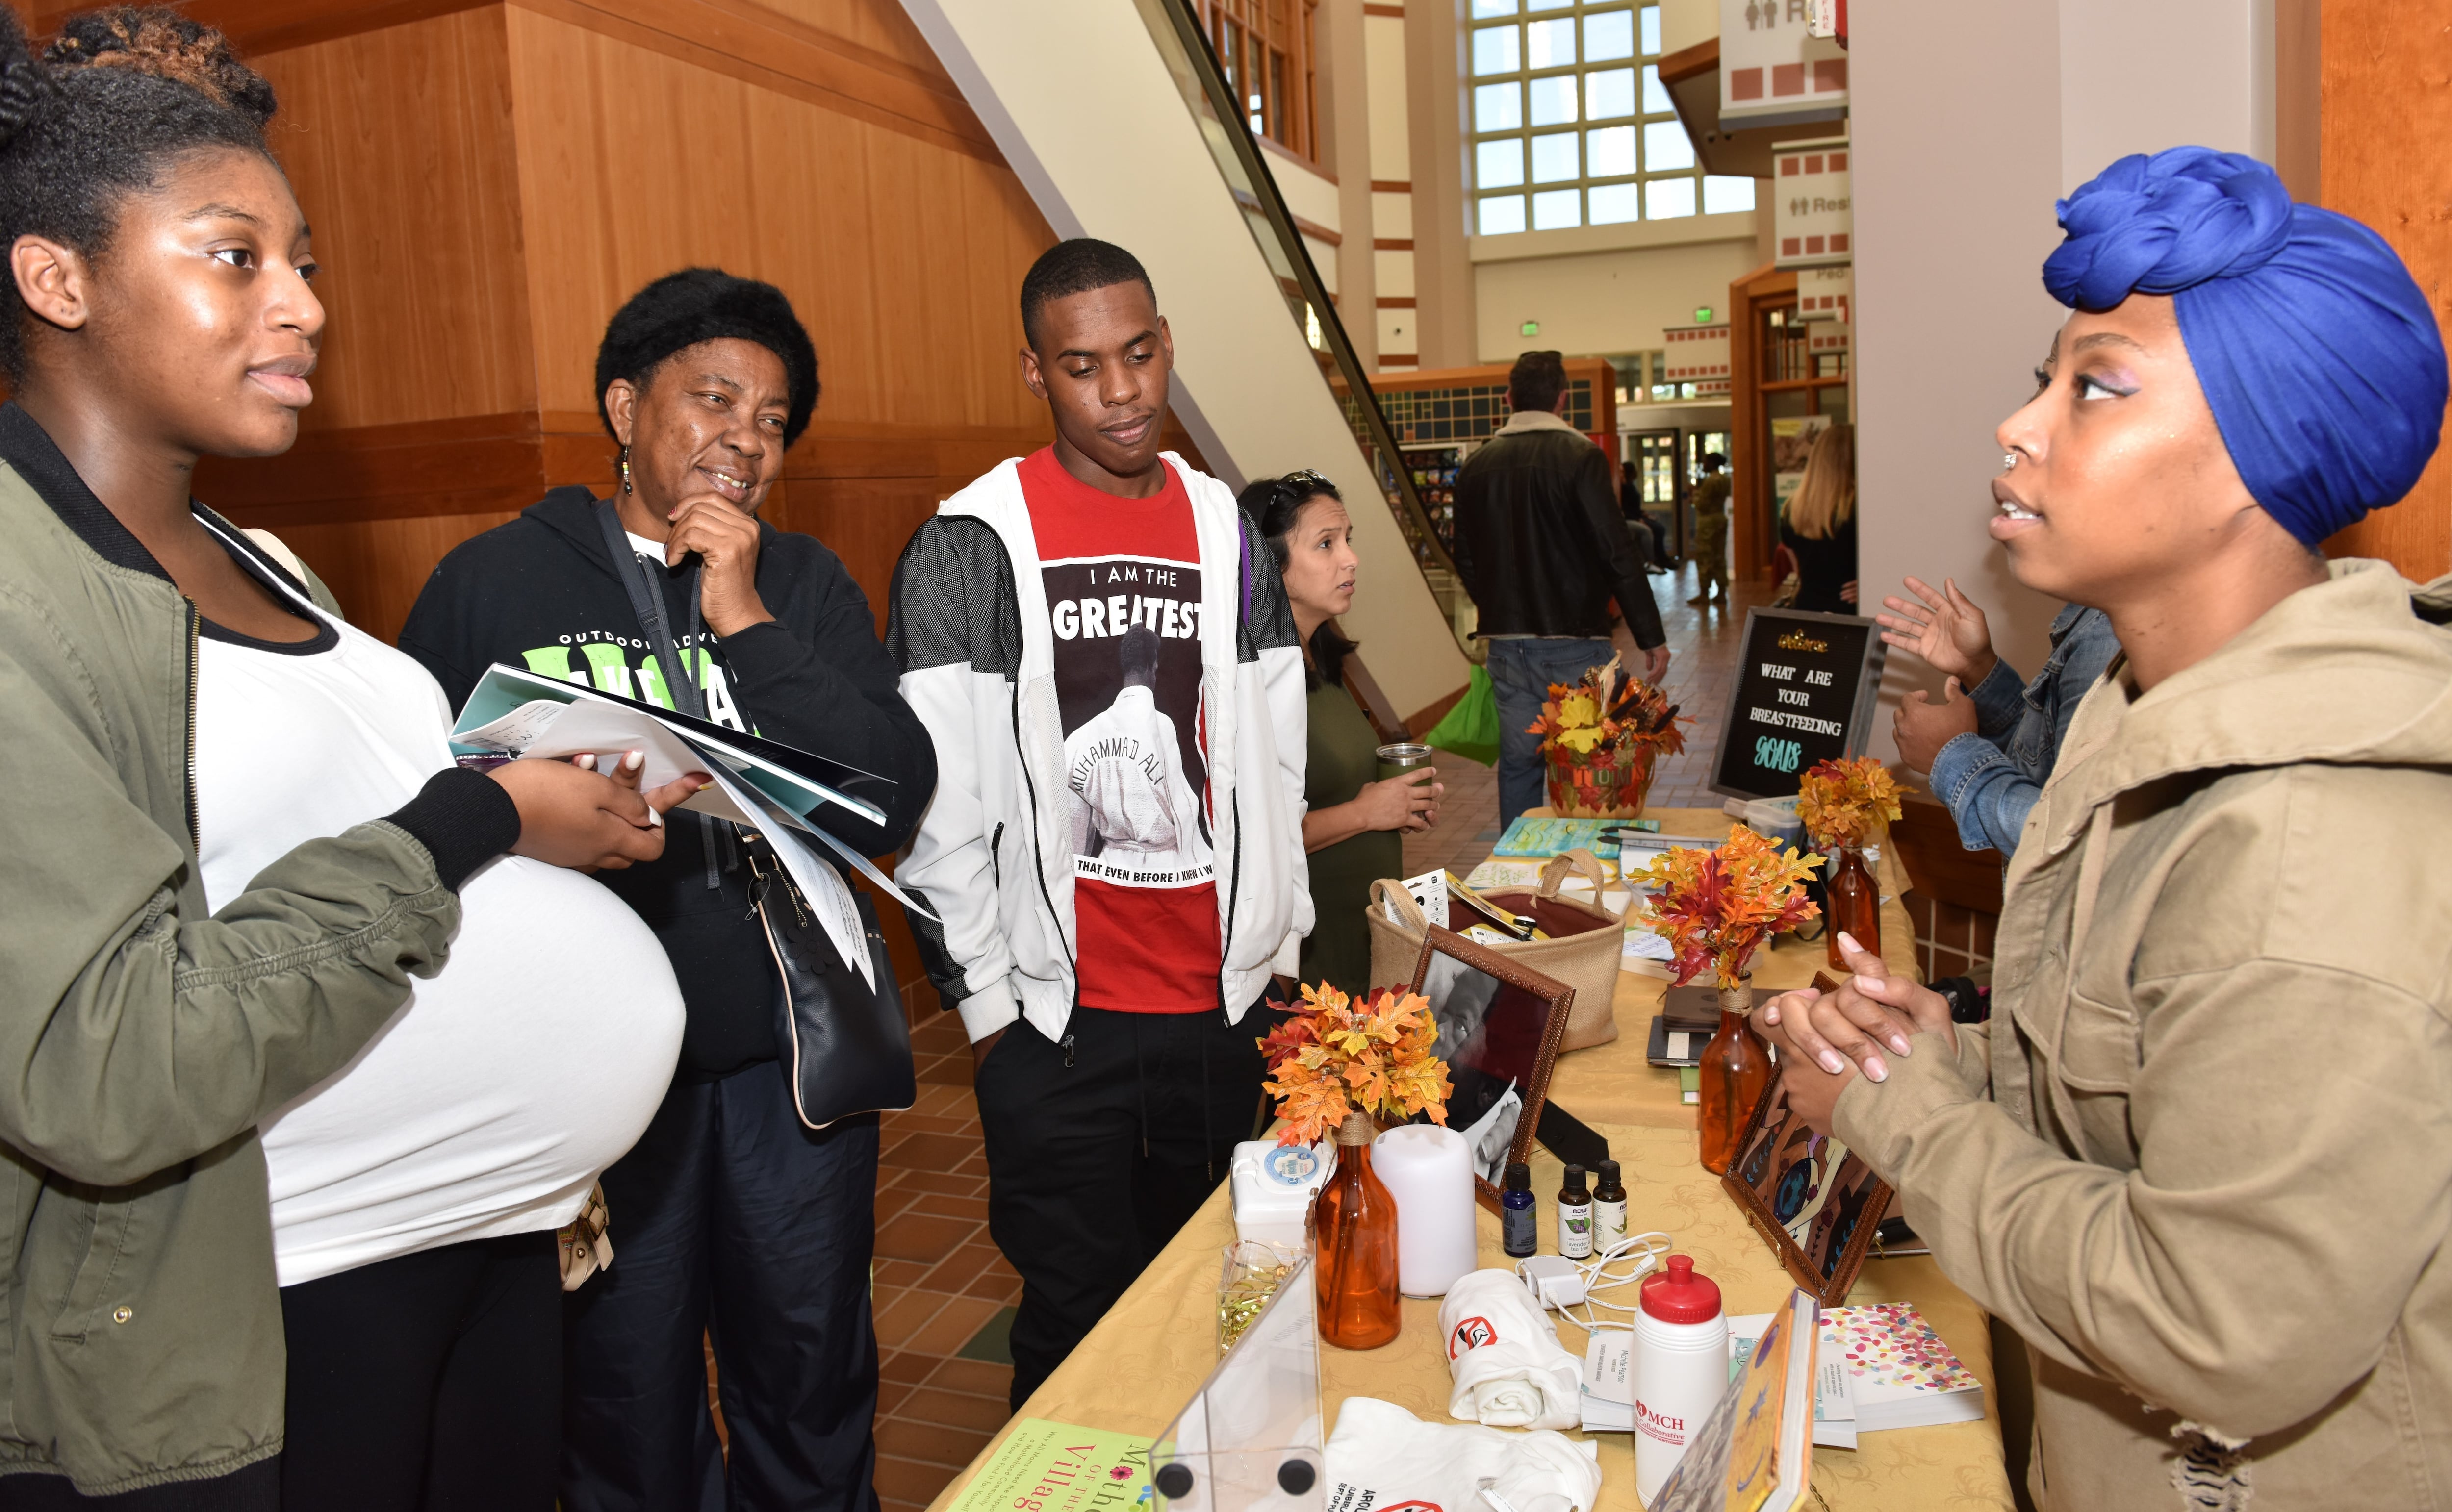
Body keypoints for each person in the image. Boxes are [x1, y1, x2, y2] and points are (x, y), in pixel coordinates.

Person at [0, 9, 690, 1504]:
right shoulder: (15, 587)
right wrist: (476, 820)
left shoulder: (264, 555)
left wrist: (546, 809)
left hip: (488, 1254)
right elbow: (103, 1065)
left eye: (305, 261)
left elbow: (344, 821)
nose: (303, 305)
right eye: (235, 257)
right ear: (57, 277)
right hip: (261, 1311)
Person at [1759, 148, 2452, 1508]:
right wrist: (1953, 1054)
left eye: (2097, 387)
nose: (2020, 429)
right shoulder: (2146, 724)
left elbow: (2218, 1328)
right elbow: (2147, 1114)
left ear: (2261, 447)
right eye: (2043, 381)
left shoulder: (2306, 850)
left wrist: (1902, 1115)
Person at [400, 269, 935, 1511]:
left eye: (772, 419)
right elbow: (423, 817)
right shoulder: (492, 583)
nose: (744, 438)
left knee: (808, 1379)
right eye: (713, 400)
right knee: (621, 1397)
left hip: (784, 1071)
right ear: (625, 406)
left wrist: (742, 615)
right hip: (590, 1071)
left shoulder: (799, 585)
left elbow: (892, 791)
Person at [889, 238, 1309, 1411]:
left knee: (1229, 1311)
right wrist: (988, 1010)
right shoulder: (969, 542)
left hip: (1224, 1013)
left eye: (1138, 354)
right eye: (1083, 367)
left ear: (1166, 341)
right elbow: (939, 802)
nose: (1121, 392)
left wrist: (1279, 953)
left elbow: (1275, 762)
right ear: (1034, 370)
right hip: (1058, 1025)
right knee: (1075, 1334)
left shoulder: (1225, 526)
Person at [1240, 470, 1442, 996]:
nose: (1349, 558)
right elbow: (1247, 840)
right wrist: (1368, 812)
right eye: (1325, 544)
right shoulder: (1251, 682)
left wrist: (1398, 801)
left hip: (1362, 928)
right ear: (1269, 564)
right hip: (1308, 948)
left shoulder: (1320, 659)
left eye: (1347, 539)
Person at [1451, 350, 1670, 827]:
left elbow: (1463, 556)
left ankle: (1518, 876)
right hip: (1575, 644)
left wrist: (1496, 605)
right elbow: (1616, 550)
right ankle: (1583, 878)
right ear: (1562, 400)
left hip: (1507, 648)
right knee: (1588, 766)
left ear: (1508, 399)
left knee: (1517, 766)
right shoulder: (1581, 458)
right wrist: (1649, 635)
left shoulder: (1475, 467)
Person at [1877, 576, 2119, 857]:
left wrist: (1952, 756)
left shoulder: (2110, 634)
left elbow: (2073, 841)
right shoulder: (2094, 617)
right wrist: (1977, 666)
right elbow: (2046, 762)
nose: (1997, 530)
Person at [1777, 422, 1858, 613]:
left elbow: (1798, 569)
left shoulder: (1792, 509)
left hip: (1807, 609)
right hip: (1850, 612)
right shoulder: (1858, 508)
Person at [1686, 450, 1731, 605]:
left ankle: (1704, 593)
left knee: (1705, 557)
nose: (1703, 465)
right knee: (1720, 556)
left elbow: (1702, 504)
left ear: (1712, 463)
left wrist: (1694, 494)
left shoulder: (1711, 481)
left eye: (1705, 462)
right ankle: (1722, 592)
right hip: (1720, 519)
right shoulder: (1725, 479)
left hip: (1708, 523)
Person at [1617, 457, 1670, 573]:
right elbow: (1623, 509)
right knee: (1647, 531)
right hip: (1628, 519)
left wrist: (1643, 515)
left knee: (1659, 528)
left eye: (1622, 471)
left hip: (1634, 517)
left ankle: (1661, 559)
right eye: (1620, 471)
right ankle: (1651, 562)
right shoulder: (1619, 488)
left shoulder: (1629, 486)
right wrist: (1638, 518)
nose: (1620, 474)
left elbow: (1633, 506)